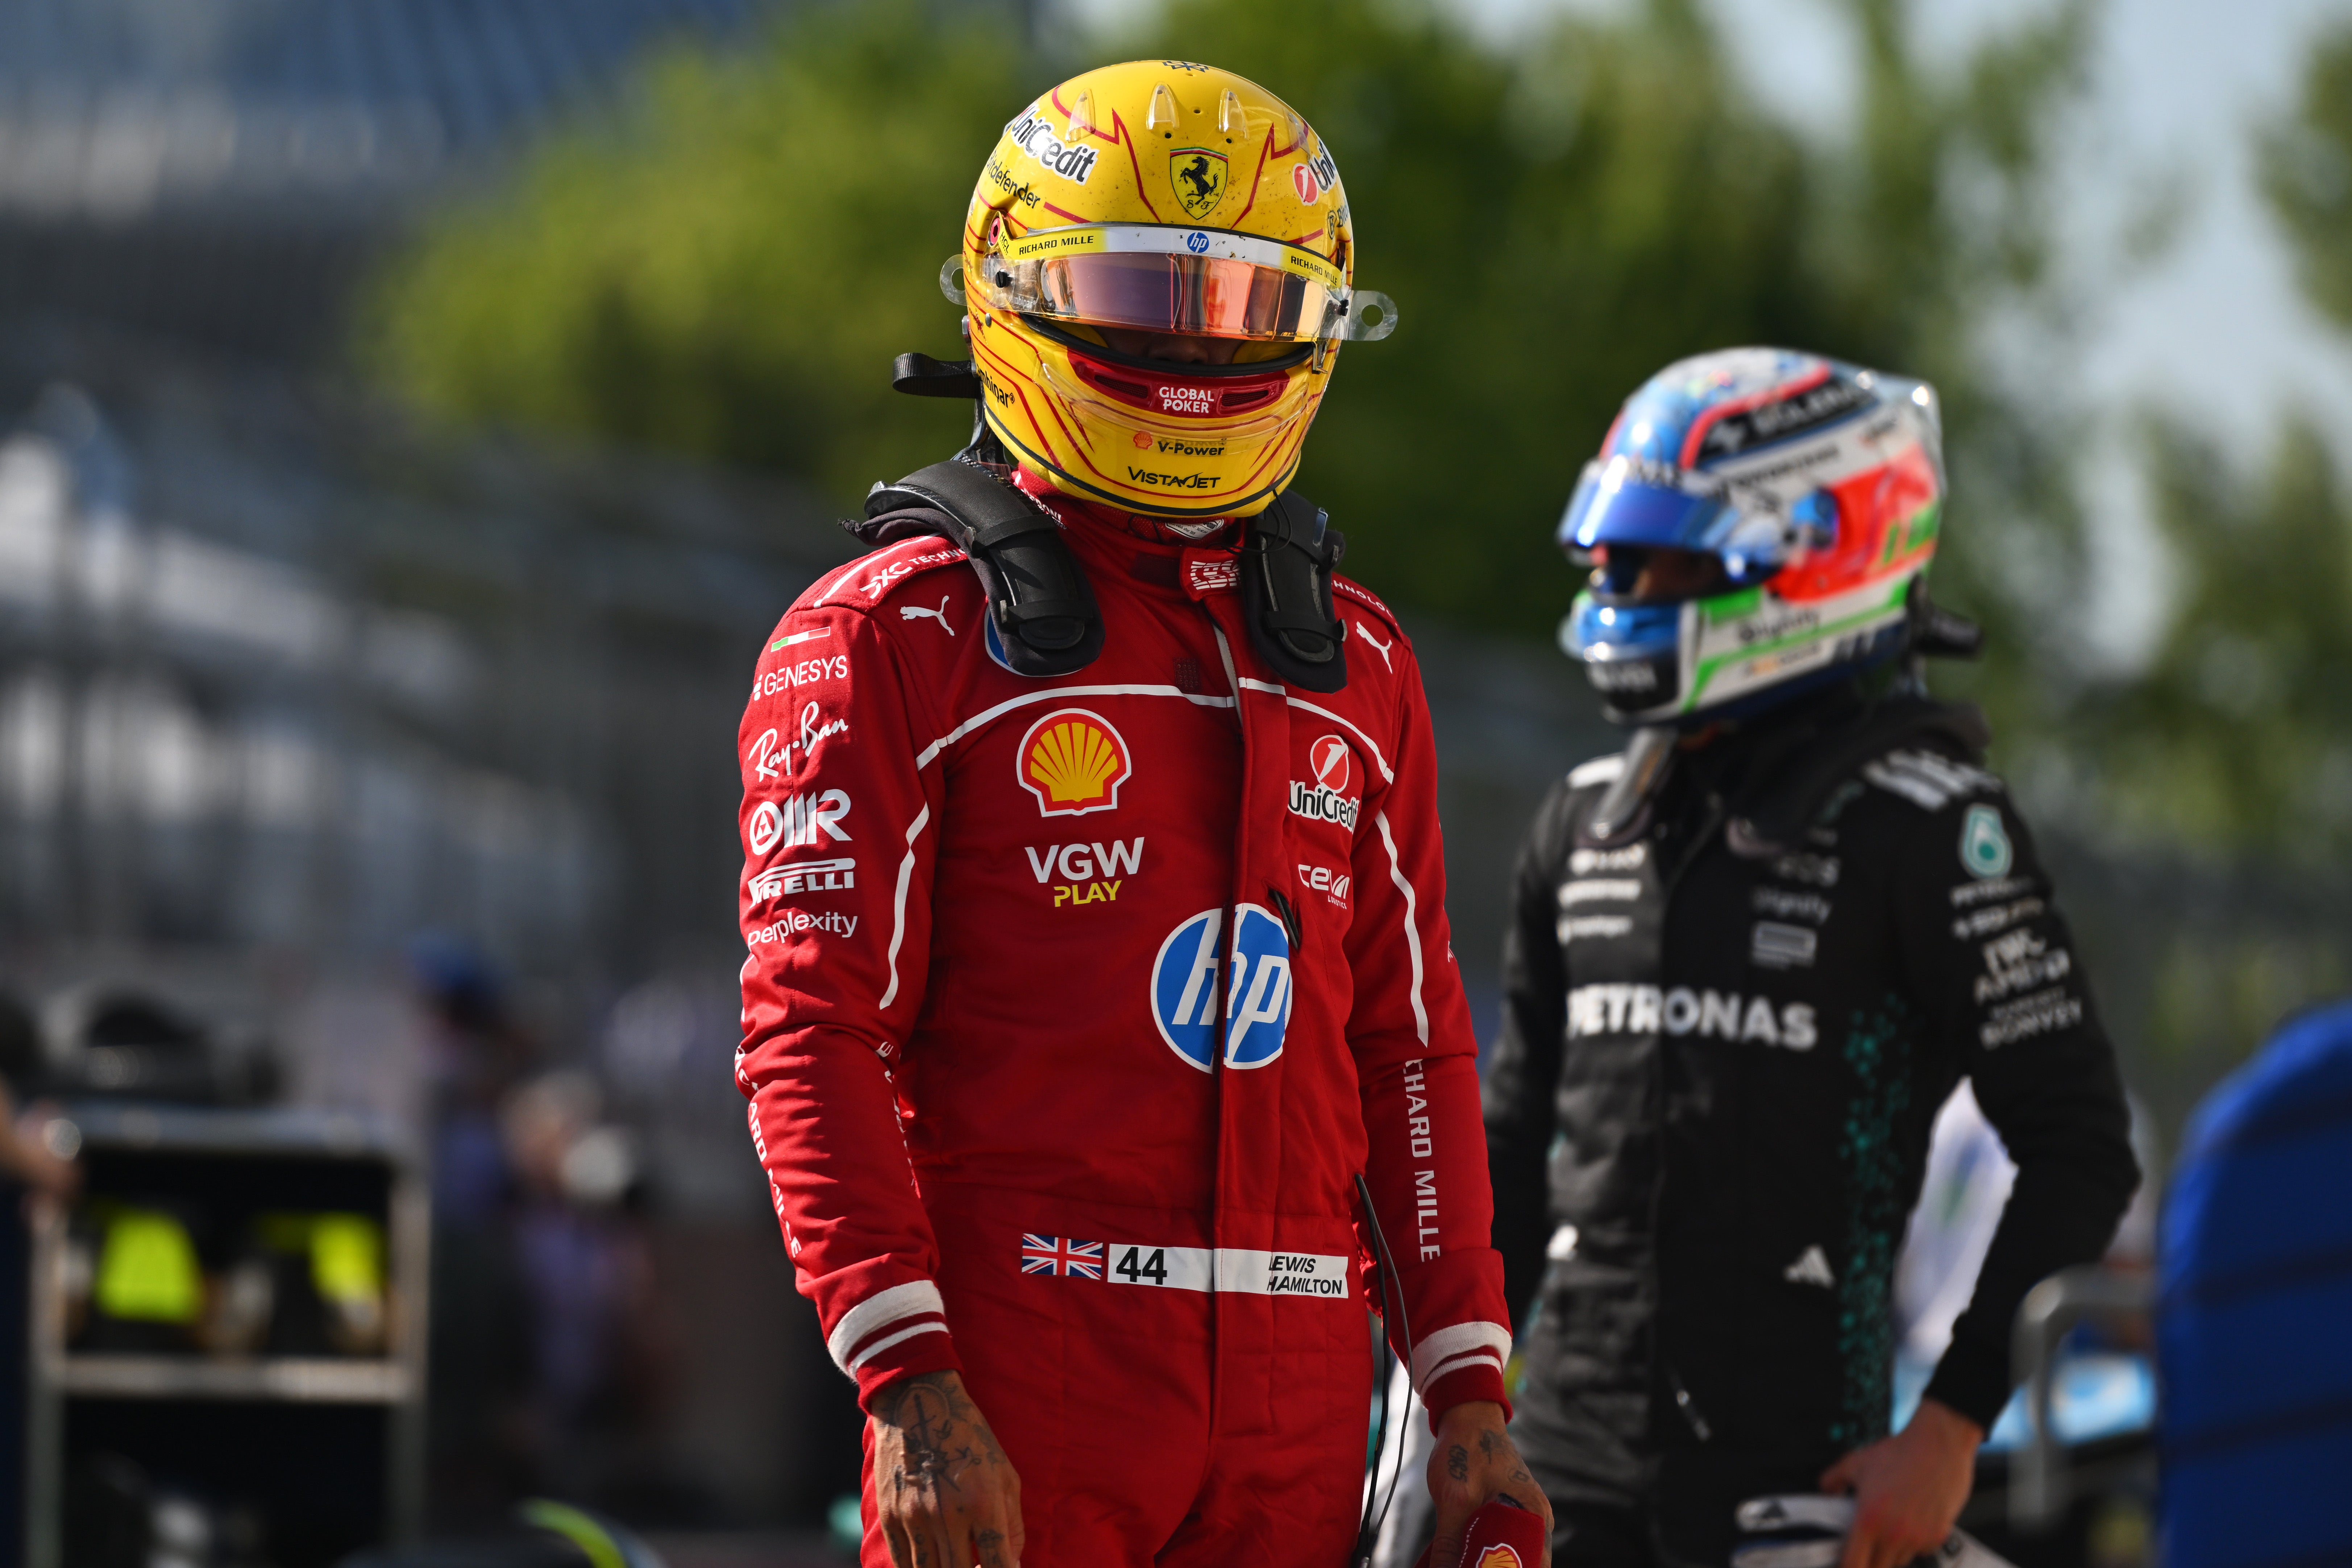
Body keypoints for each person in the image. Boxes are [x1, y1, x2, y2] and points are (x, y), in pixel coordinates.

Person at [734, 61, 1545, 1568]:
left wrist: (1467, 1386)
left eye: (1238, 309)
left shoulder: (1358, 659)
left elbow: (1415, 1048)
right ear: (1007, 291)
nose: (1188, 349)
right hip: (1021, 1385)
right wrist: (905, 1376)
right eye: (1134, 295)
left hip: (1304, 1397)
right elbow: (808, 1026)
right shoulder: (890, 635)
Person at [1482, 349, 2141, 1568]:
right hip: (1552, 1491)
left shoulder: (1934, 828)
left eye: (1672, 553)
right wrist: (1451, 1412)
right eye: (1615, 553)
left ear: (1819, 554)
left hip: (1798, 1501)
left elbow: (2080, 1141)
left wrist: (1948, 1428)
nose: (1625, 585)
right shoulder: (1580, 822)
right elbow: (1507, 1151)